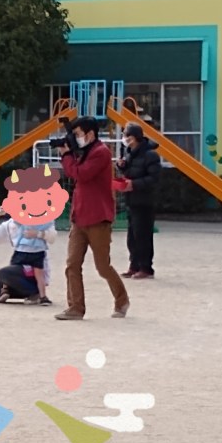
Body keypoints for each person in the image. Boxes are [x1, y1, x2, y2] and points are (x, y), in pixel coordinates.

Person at [55, 116, 130, 320]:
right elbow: (76, 173)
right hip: (79, 217)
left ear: (90, 134)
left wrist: (66, 155)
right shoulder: (86, 152)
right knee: (72, 264)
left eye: (77, 134)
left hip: (98, 218)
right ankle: (76, 308)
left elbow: (81, 174)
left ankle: (122, 300)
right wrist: (70, 153)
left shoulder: (100, 152)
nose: (75, 138)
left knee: (103, 267)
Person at [0, 207, 58, 305]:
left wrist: (39, 234)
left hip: (35, 260)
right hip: (19, 262)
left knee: (4, 273)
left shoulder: (41, 220)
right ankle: (12, 291)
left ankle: (36, 293)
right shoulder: (12, 224)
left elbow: (52, 237)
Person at [116, 122, 161, 279]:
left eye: (126, 135)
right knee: (132, 237)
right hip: (132, 200)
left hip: (145, 202)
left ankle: (146, 267)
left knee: (143, 236)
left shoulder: (150, 155)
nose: (124, 138)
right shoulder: (130, 153)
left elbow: (154, 179)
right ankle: (134, 265)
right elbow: (131, 171)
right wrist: (122, 167)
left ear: (134, 137)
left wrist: (134, 184)